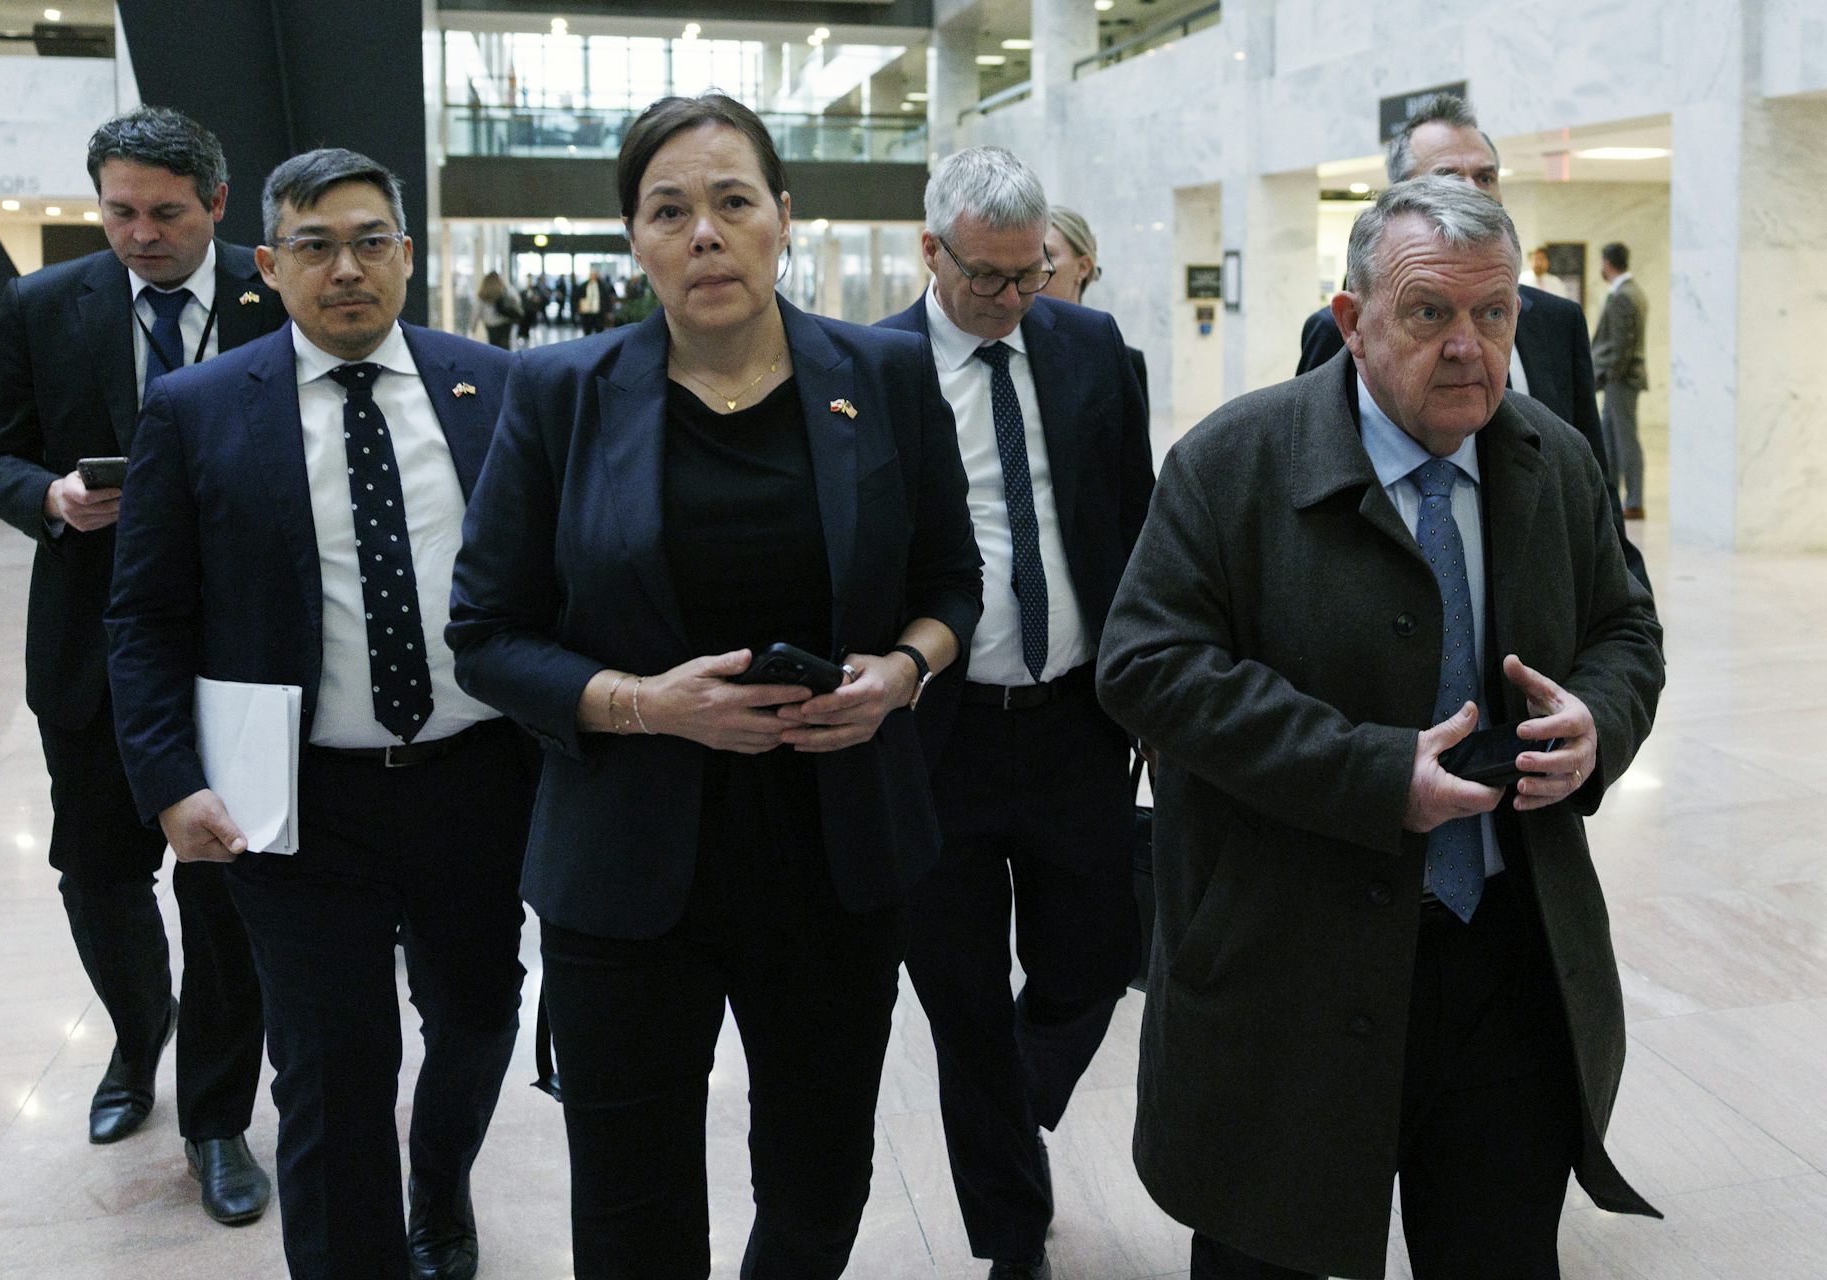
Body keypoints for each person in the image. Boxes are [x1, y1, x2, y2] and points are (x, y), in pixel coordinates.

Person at [447, 92, 981, 1280]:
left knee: (819, 1177)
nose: (705, 233)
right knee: (632, 1209)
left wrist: (901, 672)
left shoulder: (884, 376)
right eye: (669, 209)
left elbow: (952, 580)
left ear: (783, 218)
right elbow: (484, 633)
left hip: (836, 856)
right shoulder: (561, 395)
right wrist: (644, 701)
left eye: (733, 201)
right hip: (629, 868)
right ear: (634, 238)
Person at [1097, 177, 1666, 1280]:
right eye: (1428, 313)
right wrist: (1367, 772)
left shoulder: (1553, 457)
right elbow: (1146, 663)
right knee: (1270, 1244)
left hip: (1505, 958)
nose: (1469, 348)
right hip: (1288, 962)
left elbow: (1625, 627)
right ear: (1353, 322)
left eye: (1493, 314)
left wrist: (1599, 718)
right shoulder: (1232, 463)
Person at [105, 147, 531, 1280]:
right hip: (297, 801)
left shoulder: (495, 386)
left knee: (480, 1018)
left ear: (407, 250)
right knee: (332, 1065)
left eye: (371, 241)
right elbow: (144, 617)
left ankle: (438, 1184)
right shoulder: (198, 410)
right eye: (315, 245)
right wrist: (168, 779)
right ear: (269, 262)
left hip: (477, 781)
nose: (347, 269)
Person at [0, 104, 277, 1227]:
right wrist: (48, 497)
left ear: (218, 206)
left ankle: (215, 1118)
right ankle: (138, 1035)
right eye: (119, 212)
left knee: (227, 890)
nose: (140, 235)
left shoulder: (277, 291)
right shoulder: (46, 304)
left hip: (240, 651)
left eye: (164, 213)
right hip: (91, 646)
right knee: (99, 876)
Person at [879, 148, 1154, 1280]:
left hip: (1077, 720)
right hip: (938, 739)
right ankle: (1008, 1234)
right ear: (931, 249)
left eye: (1028, 274)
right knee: (959, 1000)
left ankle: (1012, 1108)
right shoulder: (872, 365)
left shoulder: (1089, 346)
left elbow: (1131, 516)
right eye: (985, 277)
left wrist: (1152, 677)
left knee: (1096, 958)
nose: (1007, 300)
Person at [1294, 93, 1646, 588]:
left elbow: (1592, 482)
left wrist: (1633, 615)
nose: (1473, 191)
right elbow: (1309, 465)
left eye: (1485, 177)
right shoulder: (1339, 328)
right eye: (1448, 177)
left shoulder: (1555, 321)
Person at [1041, 204, 1149, 412]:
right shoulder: (1011, 352)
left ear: (1083, 267)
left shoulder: (1122, 362)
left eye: (1048, 255)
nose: (1035, 267)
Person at [1593, 242, 1649, 519]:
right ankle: (1612, 493)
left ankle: (1635, 500)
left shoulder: (1624, 295)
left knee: (1625, 440)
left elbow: (1621, 344)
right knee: (1610, 438)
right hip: (1619, 378)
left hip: (1622, 380)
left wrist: (1610, 375)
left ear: (1606, 263)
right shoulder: (1630, 292)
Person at [474, 270, 521, 350]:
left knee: (494, 347)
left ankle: (496, 361)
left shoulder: (483, 295)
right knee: (505, 346)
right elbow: (517, 300)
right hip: (505, 322)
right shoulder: (504, 290)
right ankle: (506, 361)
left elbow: (476, 312)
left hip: (490, 325)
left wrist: (473, 327)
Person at [574, 263, 615, 335]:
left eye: (594, 275)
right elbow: (577, 297)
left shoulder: (602, 286)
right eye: (591, 275)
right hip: (587, 313)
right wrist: (578, 307)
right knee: (587, 332)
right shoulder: (583, 286)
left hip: (598, 313)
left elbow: (606, 299)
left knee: (599, 331)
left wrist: (608, 311)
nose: (592, 277)